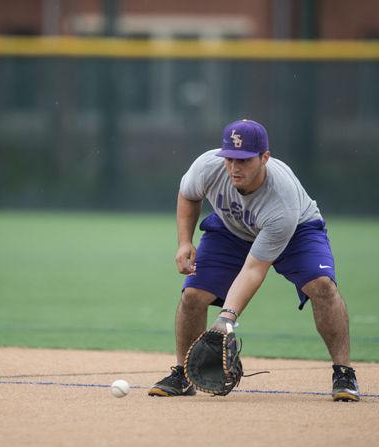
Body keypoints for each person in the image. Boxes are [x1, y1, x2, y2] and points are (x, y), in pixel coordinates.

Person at [147, 119, 360, 402]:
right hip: (232, 228)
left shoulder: (280, 200)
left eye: (245, 160)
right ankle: (184, 375)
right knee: (192, 295)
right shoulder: (208, 166)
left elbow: (254, 268)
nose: (235, 167)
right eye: (230, 158)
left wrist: (226, 319)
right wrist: (185, 241)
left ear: (264, 158)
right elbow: (188, 194)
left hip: (297, 230)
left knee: (322, 285)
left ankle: (343, 372)